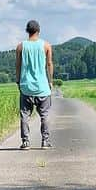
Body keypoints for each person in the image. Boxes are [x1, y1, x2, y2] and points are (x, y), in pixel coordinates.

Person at [15, 19, 54, 149]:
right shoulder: (46, 46)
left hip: (26, 86)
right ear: (38, 30)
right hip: (42, 86)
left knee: (25, 115)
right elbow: (49, 64)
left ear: (27, 31)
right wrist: (50, 81)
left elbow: (18, 66)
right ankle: (45, 141)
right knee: (45, 115)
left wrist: (18, 81)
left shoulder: (20, 46)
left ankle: (25, 142)